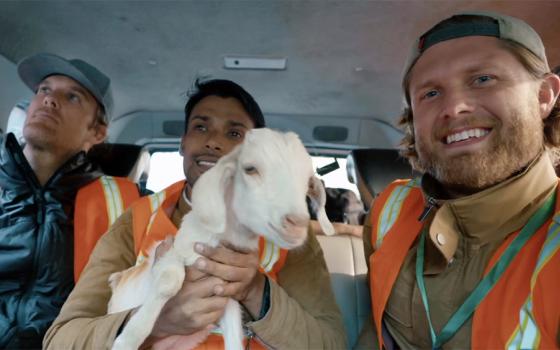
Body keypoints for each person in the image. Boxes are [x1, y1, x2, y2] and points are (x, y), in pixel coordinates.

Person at [44, 79, 346, 349]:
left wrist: (255, 290)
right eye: (200, 127)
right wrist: (158, 323)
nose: (214, 142)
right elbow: (61, 340)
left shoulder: (287, 232)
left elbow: (330, 343)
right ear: (182, 144)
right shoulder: (136, 220)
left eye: (235, 133)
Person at [356, 12, 560, 349]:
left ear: (544, 95)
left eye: (483, 79)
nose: (455, 107)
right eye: (431, 94)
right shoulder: (389, 210)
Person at [0, 53, 140, 349]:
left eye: (72, 97)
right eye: (44, 89)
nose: (49, 100)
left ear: (97, 132)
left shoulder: (127, 205)